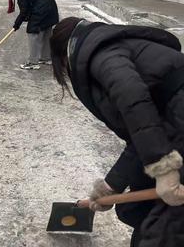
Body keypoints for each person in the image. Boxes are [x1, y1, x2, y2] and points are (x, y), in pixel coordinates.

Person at [50, 17, 184, 247]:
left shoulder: (102, 54)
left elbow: (133, 99)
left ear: (64, 57)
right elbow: (143, 128)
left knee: (163, 229)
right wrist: (111, 186)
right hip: (175, 124)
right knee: (136, 209)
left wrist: (164, 168)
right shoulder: (104, 48)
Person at [0, 0, 58, 70]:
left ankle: (33, 62)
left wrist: (16, 24)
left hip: (41, 8)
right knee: (46, 30)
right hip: (50, 5)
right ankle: (46, 58)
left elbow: (24, 10)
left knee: (32, 32)